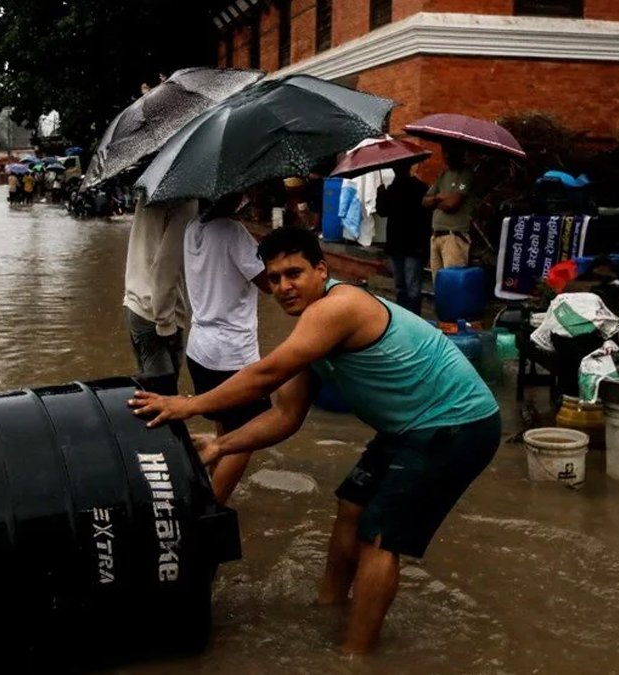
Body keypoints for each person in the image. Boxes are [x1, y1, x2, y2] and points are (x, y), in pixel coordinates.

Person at [130, 226, 500, 654]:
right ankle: (329, 607)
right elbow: (286, 416)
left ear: (321, 270)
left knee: (380, 536)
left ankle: (354, 656)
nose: (284, 287)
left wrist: (188, 405)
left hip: (456, 424)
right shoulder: (313, 329)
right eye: (274, 278)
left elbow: (263, 375)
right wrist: (220, 446)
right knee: (351, 507)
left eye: (295, 273)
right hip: (409, 427)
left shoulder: (337, 307)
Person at [183, 192, 271, 504]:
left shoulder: (193, 228)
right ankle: (209, 511)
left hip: (199, 349)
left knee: (226, 432)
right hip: (232, 353)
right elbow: (270, 282)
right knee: (246, 437)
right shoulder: (234, 233)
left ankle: (208, 486)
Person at [123, 198, 199, 397]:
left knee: (150, 395)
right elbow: (166, 267)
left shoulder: (148, 195)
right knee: (165, 398)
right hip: (157, 311)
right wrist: (166, 325)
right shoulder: (186, 203)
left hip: (135, 303)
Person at [376, 166, 431, 315]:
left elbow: (427, 217)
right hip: (401, 245)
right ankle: (406, 318)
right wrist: (381, 195)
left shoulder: (419, 188)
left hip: (412, 245)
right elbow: (382, 210)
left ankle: (412, 319)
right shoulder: (393, 189)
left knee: (408, 286)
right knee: (404, 286)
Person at [422, 142, 480, 275]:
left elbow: (451, 205)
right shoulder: (443, 174)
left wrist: (436, 201)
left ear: (460, 153)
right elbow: (425, 202)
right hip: (436, 235)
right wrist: (439, 197)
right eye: (444, 151)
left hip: (454, 236)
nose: (447, 155)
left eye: (451, 151)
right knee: (438, 283)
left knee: (453, 283)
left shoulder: (466, 173)